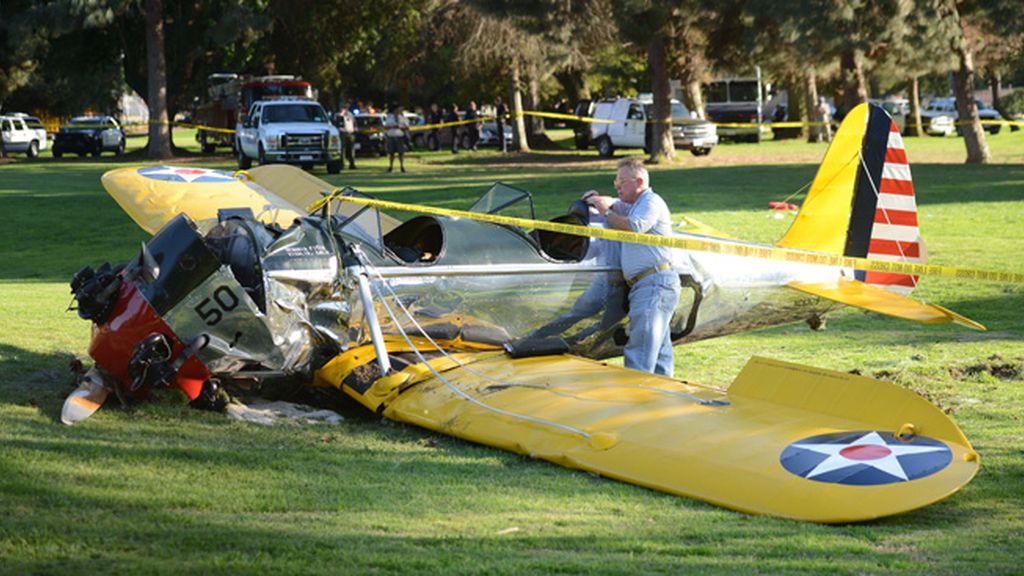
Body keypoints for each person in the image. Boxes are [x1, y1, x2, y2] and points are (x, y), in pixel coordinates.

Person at [584, 157, 680, 376]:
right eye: (615, 183)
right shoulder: (634, 205)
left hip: (654, 284)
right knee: (658, 353)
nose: (618, 187)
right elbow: (612, 204)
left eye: (622, 182)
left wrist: (606, 212)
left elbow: (634, 227)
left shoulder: (650, 202)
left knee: (640, 351)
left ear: (639, 182)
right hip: (648, 285)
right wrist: (596, 199)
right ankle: (662, 393)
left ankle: (637, 393)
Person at [384, 104, 409, 173]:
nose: (400, 111)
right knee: (391, 153)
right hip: (391, 137)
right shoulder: (389, 117)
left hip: (400, 137)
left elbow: (407, 127)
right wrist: (392, 126)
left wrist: (400, 127)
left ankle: (402, 166)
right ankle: (391, 166)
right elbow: (385, 127)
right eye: (399, 109)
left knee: (401, 153)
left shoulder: (403, 117)